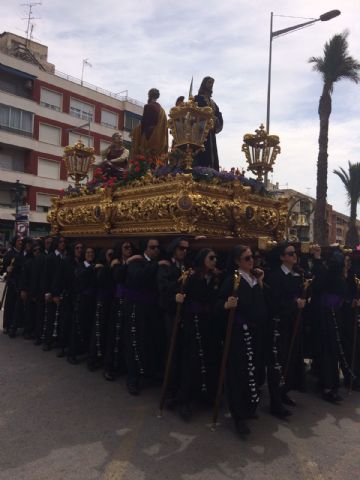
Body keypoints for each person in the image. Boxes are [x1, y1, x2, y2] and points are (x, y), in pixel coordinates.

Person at [217, 245, 265, 437]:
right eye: (247, 258)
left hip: (255, 333)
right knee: (238, 373)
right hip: (238, 334)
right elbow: (218, 304)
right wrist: (226, 305)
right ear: (237, 261)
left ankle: (250, 406)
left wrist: (260, 283)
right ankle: (239, 417)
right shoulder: (233, 280)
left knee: (253, 371)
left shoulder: (254, 279)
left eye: (252, 257)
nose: (251, 261)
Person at [176, 248, 222, 421]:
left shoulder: (214, 277)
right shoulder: (191, 276)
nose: (214, 260)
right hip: (192, 322)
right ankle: (184, 400)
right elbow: (179, 292)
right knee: (191, 360)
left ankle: (207, 393)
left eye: (215, 258)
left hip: (208, 323)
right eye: (211, 258)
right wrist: (178, 299)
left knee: (209, 359)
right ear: (202, 259)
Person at [267, 242, 306, 418]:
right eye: (290, 254)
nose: (294, 256)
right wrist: (294, 303)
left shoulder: (297, 275)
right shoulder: (275, 276)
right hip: (279, 324)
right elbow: (274, 303)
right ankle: (275, 402)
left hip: (293, 323)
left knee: (291, 359)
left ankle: (284, 392)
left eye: (294, 253)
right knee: (278, 362)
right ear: (282, 257)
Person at [157, 237, 190, 407]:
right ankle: (170, 389)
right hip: (170, 312)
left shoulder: (185, 266)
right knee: (171, 350)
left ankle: (183, 389)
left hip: (184, 313)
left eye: (186, 249)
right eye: (181, 249)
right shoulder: (165, 266)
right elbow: (162, 287)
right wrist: (175, 292)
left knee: (182, 351)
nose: (184, 251)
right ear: (173, 249)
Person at [103, 241, 134, 381]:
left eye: (130, 248)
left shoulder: (132, 261)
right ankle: (109, 366)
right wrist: (127, 263)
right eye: (126, 247)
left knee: (126, 335)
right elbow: (118, 277)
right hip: (117, 301)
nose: (129, 250)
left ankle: (122, 365)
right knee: (114, 334)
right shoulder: (116, 262)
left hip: (129, 302)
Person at [193, 77, 223, 171]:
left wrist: (216, 121)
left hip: (211, 133)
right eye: (209, 83)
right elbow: (193, 114)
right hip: (200, 134)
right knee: (202, 155)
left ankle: (212, 174)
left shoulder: (213, 103)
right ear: (204, 84)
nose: (211, 85)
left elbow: (219, 116)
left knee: (212, 155)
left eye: (212, 83)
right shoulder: (197, 99)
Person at [131, 88, 168, 160]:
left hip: (148, 135)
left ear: (149, 95)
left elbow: (144, 123)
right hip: (159, 138)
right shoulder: (162, 109)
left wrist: (137, 133)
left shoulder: (148, 106)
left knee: (145, 158)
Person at [1, 236, 23, 335]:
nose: (20, 242)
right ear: (15, 242)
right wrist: (7, 269)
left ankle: (16, 324)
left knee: (17, 305)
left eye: (21, 241)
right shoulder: (10, 253)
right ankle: (7, 325)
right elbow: (4, 267)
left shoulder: (22, 253)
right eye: (19, 241)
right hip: (12, 281)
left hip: (20, 282)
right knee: (10, 304)